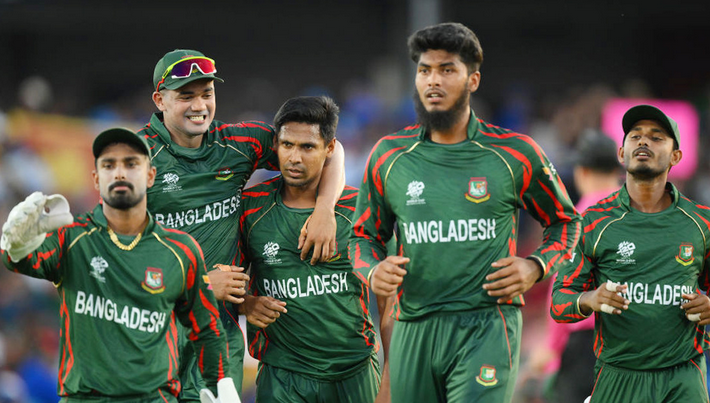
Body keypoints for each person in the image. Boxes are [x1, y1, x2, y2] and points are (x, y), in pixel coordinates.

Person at [349, 22, 580, 402]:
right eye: (425, 70)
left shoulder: (515, 153)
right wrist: (373, 270)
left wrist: (535, 266)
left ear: (473, 79)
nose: (433, 81)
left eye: (447, 70)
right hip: (413, 327)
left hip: (486, 324)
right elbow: (362, 236)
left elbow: (566, 223)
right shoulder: (389, 156)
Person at [142, 49, 345, 401]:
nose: (199, 105)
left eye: (207, 94)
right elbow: (119, 263)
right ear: (160, 100)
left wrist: (325, 210)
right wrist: (203, 286)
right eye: (186, 96)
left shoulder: (239, 143)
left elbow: (329, 149)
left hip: (219, 341)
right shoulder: (136, 157)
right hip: (157, 338)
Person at [0, 128, 235, 402]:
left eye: (131, 164)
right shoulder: (71, 237)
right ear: (96, 178)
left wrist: (222, 385)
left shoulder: (180, 251)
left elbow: (206, 328)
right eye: (109, 165)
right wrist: (17, 243)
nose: (119, 173)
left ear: (151, 176)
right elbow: (19, 261)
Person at [232, 96, 391, 403]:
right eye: (287, 145)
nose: (295, 157)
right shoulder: (249, 209)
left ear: (329, 149)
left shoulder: (361, 209)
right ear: (276, 145)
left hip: (355, 372)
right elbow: (224, 280)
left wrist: (391, 380)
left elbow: (392, 303)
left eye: (307, 147)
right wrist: (246, 305)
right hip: (282, 376)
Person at [551, 104, 710, 403]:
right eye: (635, 136)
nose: (644, 141)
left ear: (676, 156)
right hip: (617, 377)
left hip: (682, 377)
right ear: (622, 153)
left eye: (656, 137)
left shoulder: (702, 223)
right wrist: (590, 299)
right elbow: (559, 302)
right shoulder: (594, 221)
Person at [522, 130, 622, 402]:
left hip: (586, 343)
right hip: (630, 337)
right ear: (617, 171)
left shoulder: (578, 220)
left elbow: (564, 289)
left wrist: (551, 348)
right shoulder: (638, 216)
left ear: (582, 171)